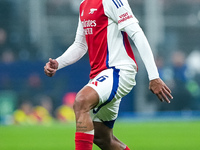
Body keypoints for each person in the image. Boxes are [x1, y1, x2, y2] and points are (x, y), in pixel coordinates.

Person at [44, 0, 173, 149]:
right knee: (102, 137)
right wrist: (58, 63)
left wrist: (154, 76)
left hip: (119, 70)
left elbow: (137, 33)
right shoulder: (84, 4)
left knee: (81, 101)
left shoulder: (112, 1)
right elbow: (80, 45)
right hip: (101, 75)